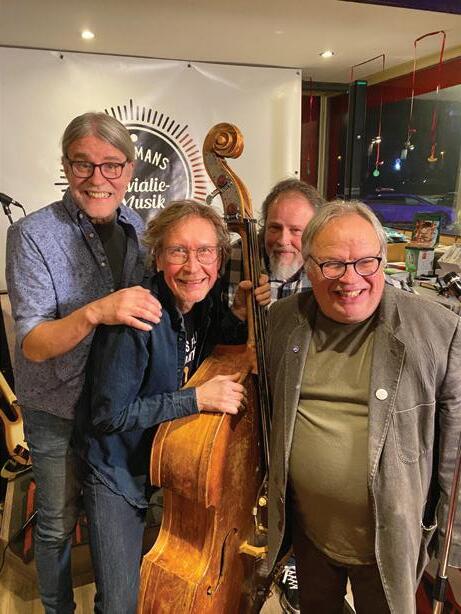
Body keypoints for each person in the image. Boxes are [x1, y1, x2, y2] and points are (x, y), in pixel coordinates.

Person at [73, 200, 270, 614]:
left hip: (165, 458)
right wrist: (195, 399)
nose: (193, 266)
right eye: (179, 251)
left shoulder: (203, 299)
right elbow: (109, 416)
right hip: (118, 470)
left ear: (219, 259)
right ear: (159, 257)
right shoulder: (138, 317)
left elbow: (213, 346)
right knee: (119, 602)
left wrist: (239, 314)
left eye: (205, 252)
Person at [265, 200, 461, 614]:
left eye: (365, 262)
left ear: (383, 262)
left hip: (390, 542)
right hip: (309, 534)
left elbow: (455, 453)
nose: (350, 278)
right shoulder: (281, 321)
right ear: (309, 266)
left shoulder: (439, 330)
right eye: (332, 264)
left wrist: (452, 542)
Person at [5, 112, 162, 614]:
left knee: (114, 516)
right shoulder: (32, 234)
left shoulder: (142, 230)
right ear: (66, 166)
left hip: (118, 405)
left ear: (130, 170)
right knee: (56, 523)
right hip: (56, 406)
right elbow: (33, 343)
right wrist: (96, 311)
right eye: (83, 164)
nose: (98, 178)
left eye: (111, 165)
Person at [224, 178, 325, 307]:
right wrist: (236, 314)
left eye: (296, 230)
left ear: (314, 233)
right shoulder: (231, 256)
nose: (282, 241)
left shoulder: (327, 268)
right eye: (275, 228)